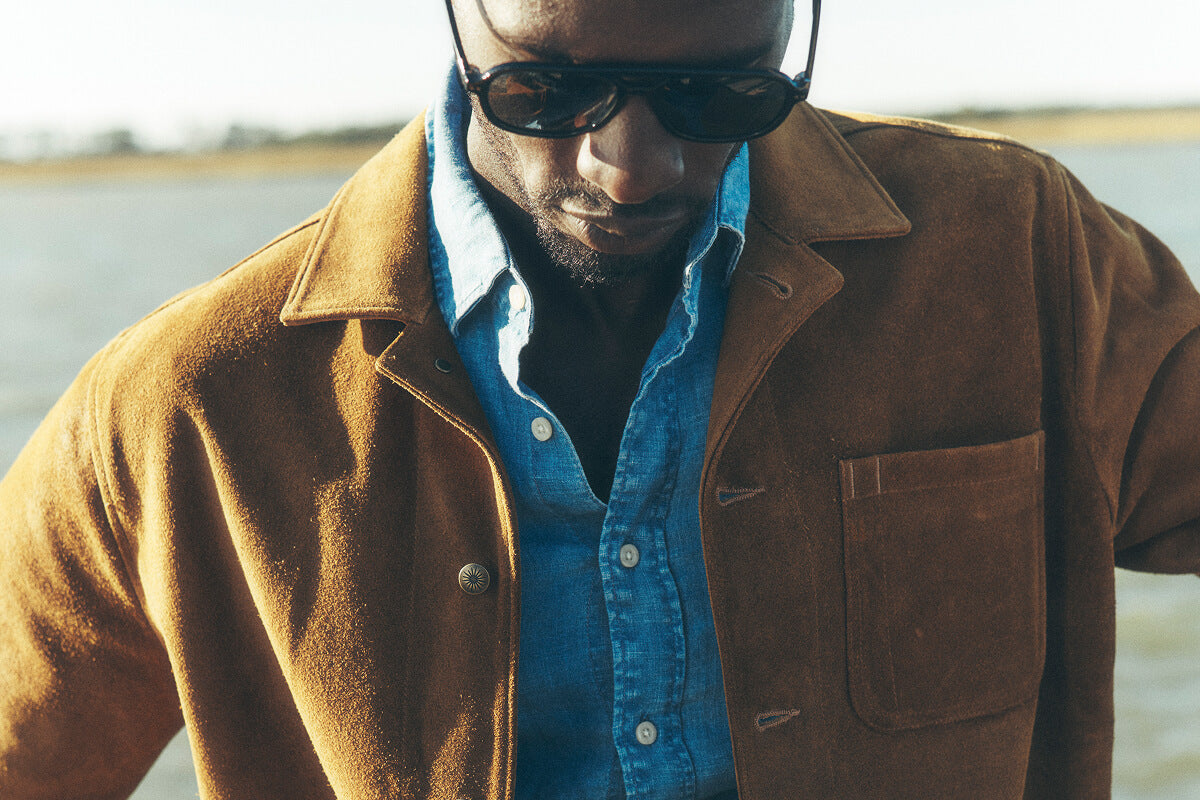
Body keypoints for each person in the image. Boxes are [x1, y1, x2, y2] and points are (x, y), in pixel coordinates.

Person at [1, 0, 1197, 796]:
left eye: (718, 96)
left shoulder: (1016, 254)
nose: (629, 168)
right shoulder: (186, 405)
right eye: (547, 90)